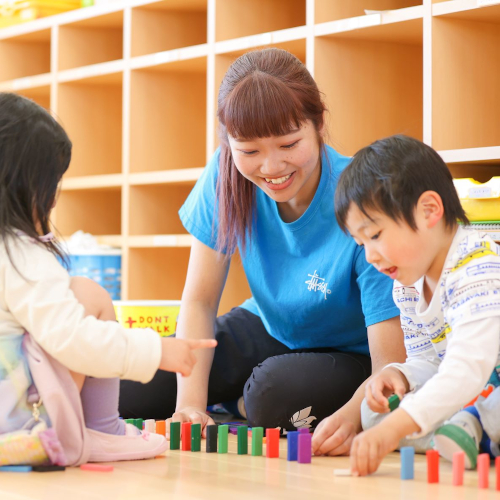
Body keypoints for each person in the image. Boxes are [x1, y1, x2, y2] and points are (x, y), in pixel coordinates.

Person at [119, 48, 405, 456]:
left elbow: (390, 362)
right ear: (228, 142)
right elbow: (199, 301)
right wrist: (188, 407)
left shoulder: (364, 196)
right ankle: (234, 399)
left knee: (271, 397)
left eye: (289, 143)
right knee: (127, 385)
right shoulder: (224, 176)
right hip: (269, 327)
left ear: (319, 123)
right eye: (249, 151)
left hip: (349, 352)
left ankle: (242, 399)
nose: (272, 167)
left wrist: (357, 413)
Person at [0, 92, 216, 463]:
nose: (54, 198)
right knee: (89, 296)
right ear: (27, 186)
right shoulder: (22, 255)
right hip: (17, 415)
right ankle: (100, 429)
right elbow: (73, 337)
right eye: (53, 182)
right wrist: (157, 349)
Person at [334, 134, 500, 476]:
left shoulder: (478, 265)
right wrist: (400, 375)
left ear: (429, 211)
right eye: (360, 242)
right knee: (371, 410)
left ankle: (470, 428)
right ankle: (464, 431)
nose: (371, 256)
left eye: (375, 235)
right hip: (469, 388)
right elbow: (429, 359)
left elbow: (465, 369)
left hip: (483, 383)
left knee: (493, 406)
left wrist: (391, 433)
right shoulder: (409, 283)